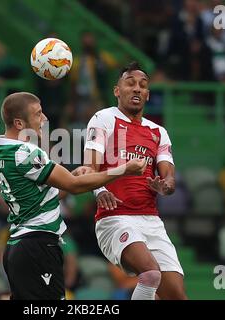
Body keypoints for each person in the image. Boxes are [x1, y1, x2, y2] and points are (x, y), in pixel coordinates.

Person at [0, 92, 147, 300]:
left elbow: (50, 193)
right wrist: (125, 169)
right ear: (19, 123)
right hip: (37, 245)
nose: (45, 119)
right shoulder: (25, 152)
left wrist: (72, 175)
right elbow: (74, 187)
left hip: (20, 245)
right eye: (38, 114)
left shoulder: (5, 150)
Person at [83, 61, 187, 300]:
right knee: (150, 274)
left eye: (142, 85)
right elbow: (90, 167)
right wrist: (99, 190)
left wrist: (166, 186)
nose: (137, 89)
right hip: (115, 218)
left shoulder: (158, 131)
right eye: (130, 83)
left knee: (176, 296)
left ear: (148, 95)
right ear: (117, 91)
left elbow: (169, 176)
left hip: (151, 220)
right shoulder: (103, 118)